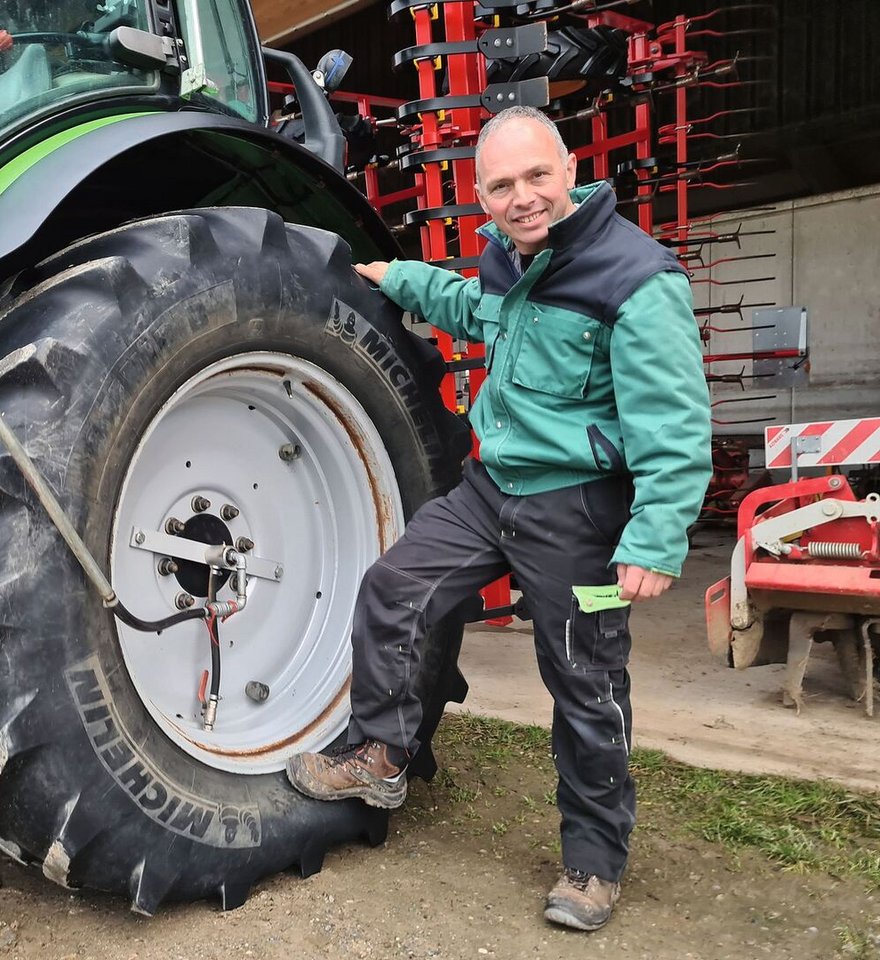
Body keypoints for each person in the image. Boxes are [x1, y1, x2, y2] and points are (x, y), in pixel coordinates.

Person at [285, 106, 712, 932]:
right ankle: (382, 756)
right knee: (395, 586)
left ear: (569, 171)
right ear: (482, 196)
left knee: (583, 681)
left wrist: (656, 537)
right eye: (504, 186)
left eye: (537, 177)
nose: (524, 198)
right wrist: (396, 279)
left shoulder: (633, 277)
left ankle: (593, 861)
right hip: (494, 490)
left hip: (579, 513)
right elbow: (469, 304)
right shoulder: (512, 264)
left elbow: (675, 423)